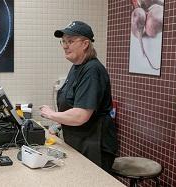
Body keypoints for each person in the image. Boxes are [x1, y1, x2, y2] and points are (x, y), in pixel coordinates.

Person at [41, 20, 118, 172]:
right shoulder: (77, 67)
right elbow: (72, 103)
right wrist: (58, 125)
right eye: (63, 42)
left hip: (94, 143)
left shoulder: (91, 71)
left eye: (70, 41)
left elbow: (80, 115)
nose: (64, 45)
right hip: (80, 139)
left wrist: (52, 115)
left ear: (85, 44)